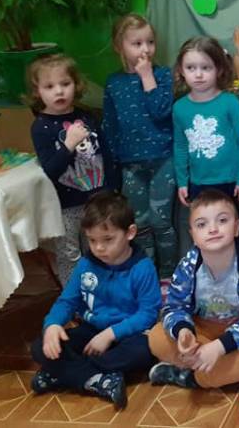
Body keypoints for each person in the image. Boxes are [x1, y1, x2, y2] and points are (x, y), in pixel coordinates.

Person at [29, 191, 160, 409]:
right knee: (39, 347)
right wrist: (52, 325)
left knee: (146, 350)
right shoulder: (86, 264)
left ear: (130, 233)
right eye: (92, 240)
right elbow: (67, 301)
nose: (99, 247)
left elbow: (147, 314)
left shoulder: (143, 268)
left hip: (127, 334)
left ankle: (62, 374)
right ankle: (98, 379)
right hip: (91, 331)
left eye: (108, 239)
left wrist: (110, 334)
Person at [147, 189, 239, 389]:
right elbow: (174, 306)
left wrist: (221, 346)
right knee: (156, 338)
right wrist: (183, 331)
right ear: (193, 235)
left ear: (236, 227)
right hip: (204, 331)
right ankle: (228, 372)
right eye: (202, 224)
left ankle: (194, 377)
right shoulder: (188, 266)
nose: (213, 229)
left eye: (222, 221)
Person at [28, 54, 114, 284]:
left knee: (98, 248)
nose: (59, 91)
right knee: (69, 253)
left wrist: (111, 188)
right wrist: (69, 144)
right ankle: (73, 295)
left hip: (97, 198)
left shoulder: (86, 116)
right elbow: (50, 170)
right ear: (37, 91)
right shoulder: (41, 127)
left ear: (76, 84)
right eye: (49, 86)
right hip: (65, 205)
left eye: (65, 83)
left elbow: (104, 152)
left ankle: (98, 290)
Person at [102, 14, 176, 278]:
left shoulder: (162, 75)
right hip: (130, 165)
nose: (145, 49)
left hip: (162, 160)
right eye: (137, 43)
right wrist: (112, 166)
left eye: (150, 42)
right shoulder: (114, 83)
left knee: (161, 222)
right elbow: (109, 126)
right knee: (139, 224)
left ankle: (168, 274)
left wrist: (147, 77)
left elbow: (161, 111)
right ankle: (147, 274)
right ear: (119, 46)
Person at [173, 36, 239, 249]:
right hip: (199, 184)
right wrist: (182, 182)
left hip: (233, 184)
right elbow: (180, 146)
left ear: (218, 69)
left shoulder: (230, 103)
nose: (198, 74)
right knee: (207, 235)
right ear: (181, 70)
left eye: (206, 67)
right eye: (191, 68)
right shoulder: (179, 108)